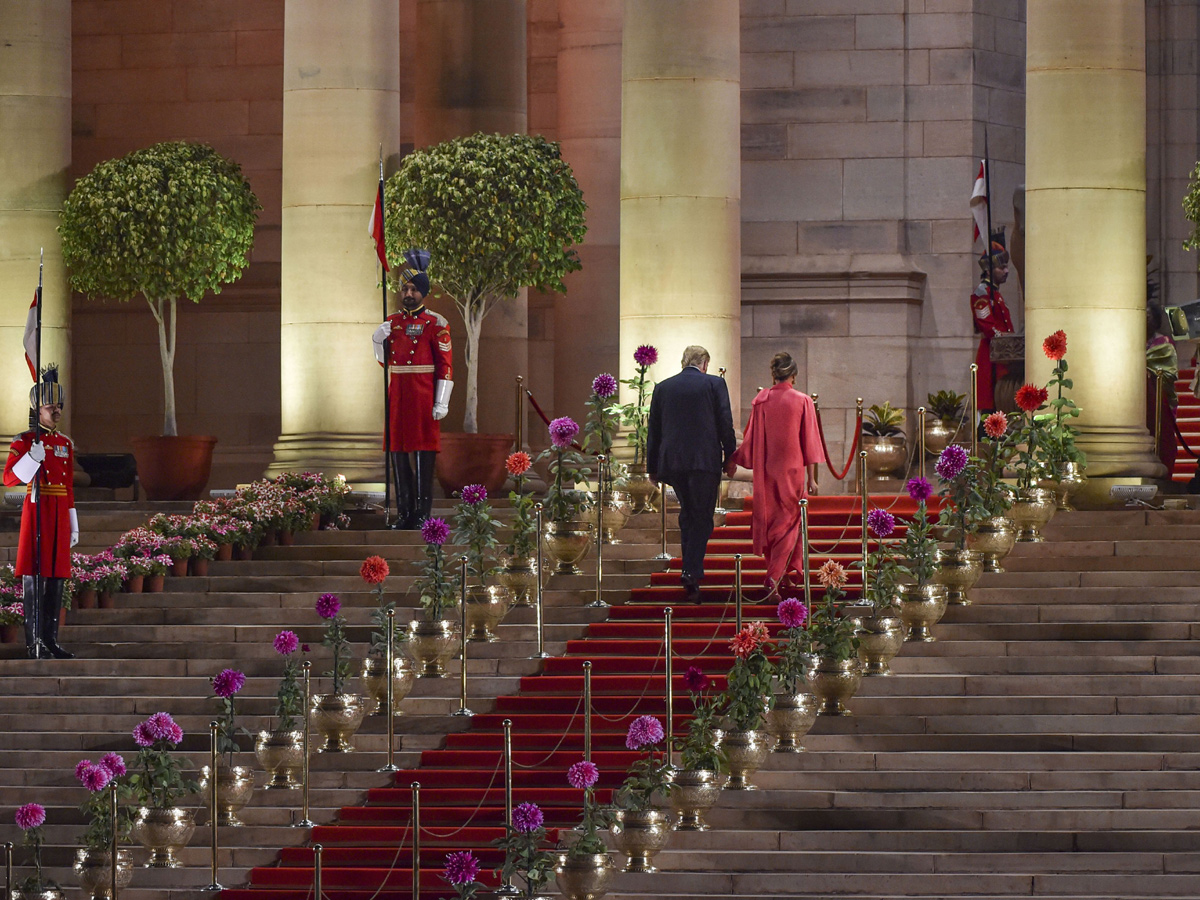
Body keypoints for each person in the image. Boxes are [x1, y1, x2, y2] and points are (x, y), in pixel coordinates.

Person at [726, 352, 824, 596]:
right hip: (793, 471)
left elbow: (750, 440)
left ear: (774, 374)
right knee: (790, 523)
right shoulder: (803, 401)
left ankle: (780, 575)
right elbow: (809, 442)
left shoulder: (761, 401)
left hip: (768, 471)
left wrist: (732, 459)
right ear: (794, 375)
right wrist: (812, 478)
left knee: (774, 524)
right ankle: (773, 578)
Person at [646, 345, 736, 604]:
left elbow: (655, 429)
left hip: (673, 464)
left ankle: (689, 571)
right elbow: (724, 423)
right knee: (702, 517)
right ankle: (691, 571)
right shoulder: (714, 384)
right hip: (703, 463)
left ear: (683, 361)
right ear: (705, 363)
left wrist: (653, 467)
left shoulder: (663, 387)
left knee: (688, 515)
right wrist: (730, 456)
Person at [372, 261, 453, 529]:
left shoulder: (435, 323)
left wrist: (441, 401)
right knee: (398, 454)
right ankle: (404, 512)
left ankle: (421, 514)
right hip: (398, 395)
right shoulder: (392, 322)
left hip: (422, 394)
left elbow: (445, 364)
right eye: (405, 289)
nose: (408, 294)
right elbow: (386, 363)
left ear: (423, 292)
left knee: (423, 455)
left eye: (413, 289)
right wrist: (376, 342)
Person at [3, 367, 77, 659]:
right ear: (38, 408)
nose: (56, 410)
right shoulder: (24, 441)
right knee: (35, 575)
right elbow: (10, 479)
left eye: (58, 405)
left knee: (57, 576)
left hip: (59, 512)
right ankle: (34, 642)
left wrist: (73, 523)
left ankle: (51, 639)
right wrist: (31, 459)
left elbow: (69, 486)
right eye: (50, 406)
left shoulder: (65, 444)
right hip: (37, 511)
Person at [971, 228, 1015, 415]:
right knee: (992, 406)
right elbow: (987, 327)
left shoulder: (995, 294)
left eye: (1006, 267)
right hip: (991, 355)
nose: (1006, 271)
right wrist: (1006, 337)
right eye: (1001, 267)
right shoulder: (982, 293)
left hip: (1002, 355)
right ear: (988, 270)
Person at [1145, 304, 1178, 473]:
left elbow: (1169, 373)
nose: (1146, 317)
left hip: (1158, 398)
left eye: (1149, 314)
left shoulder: (1163, 343)